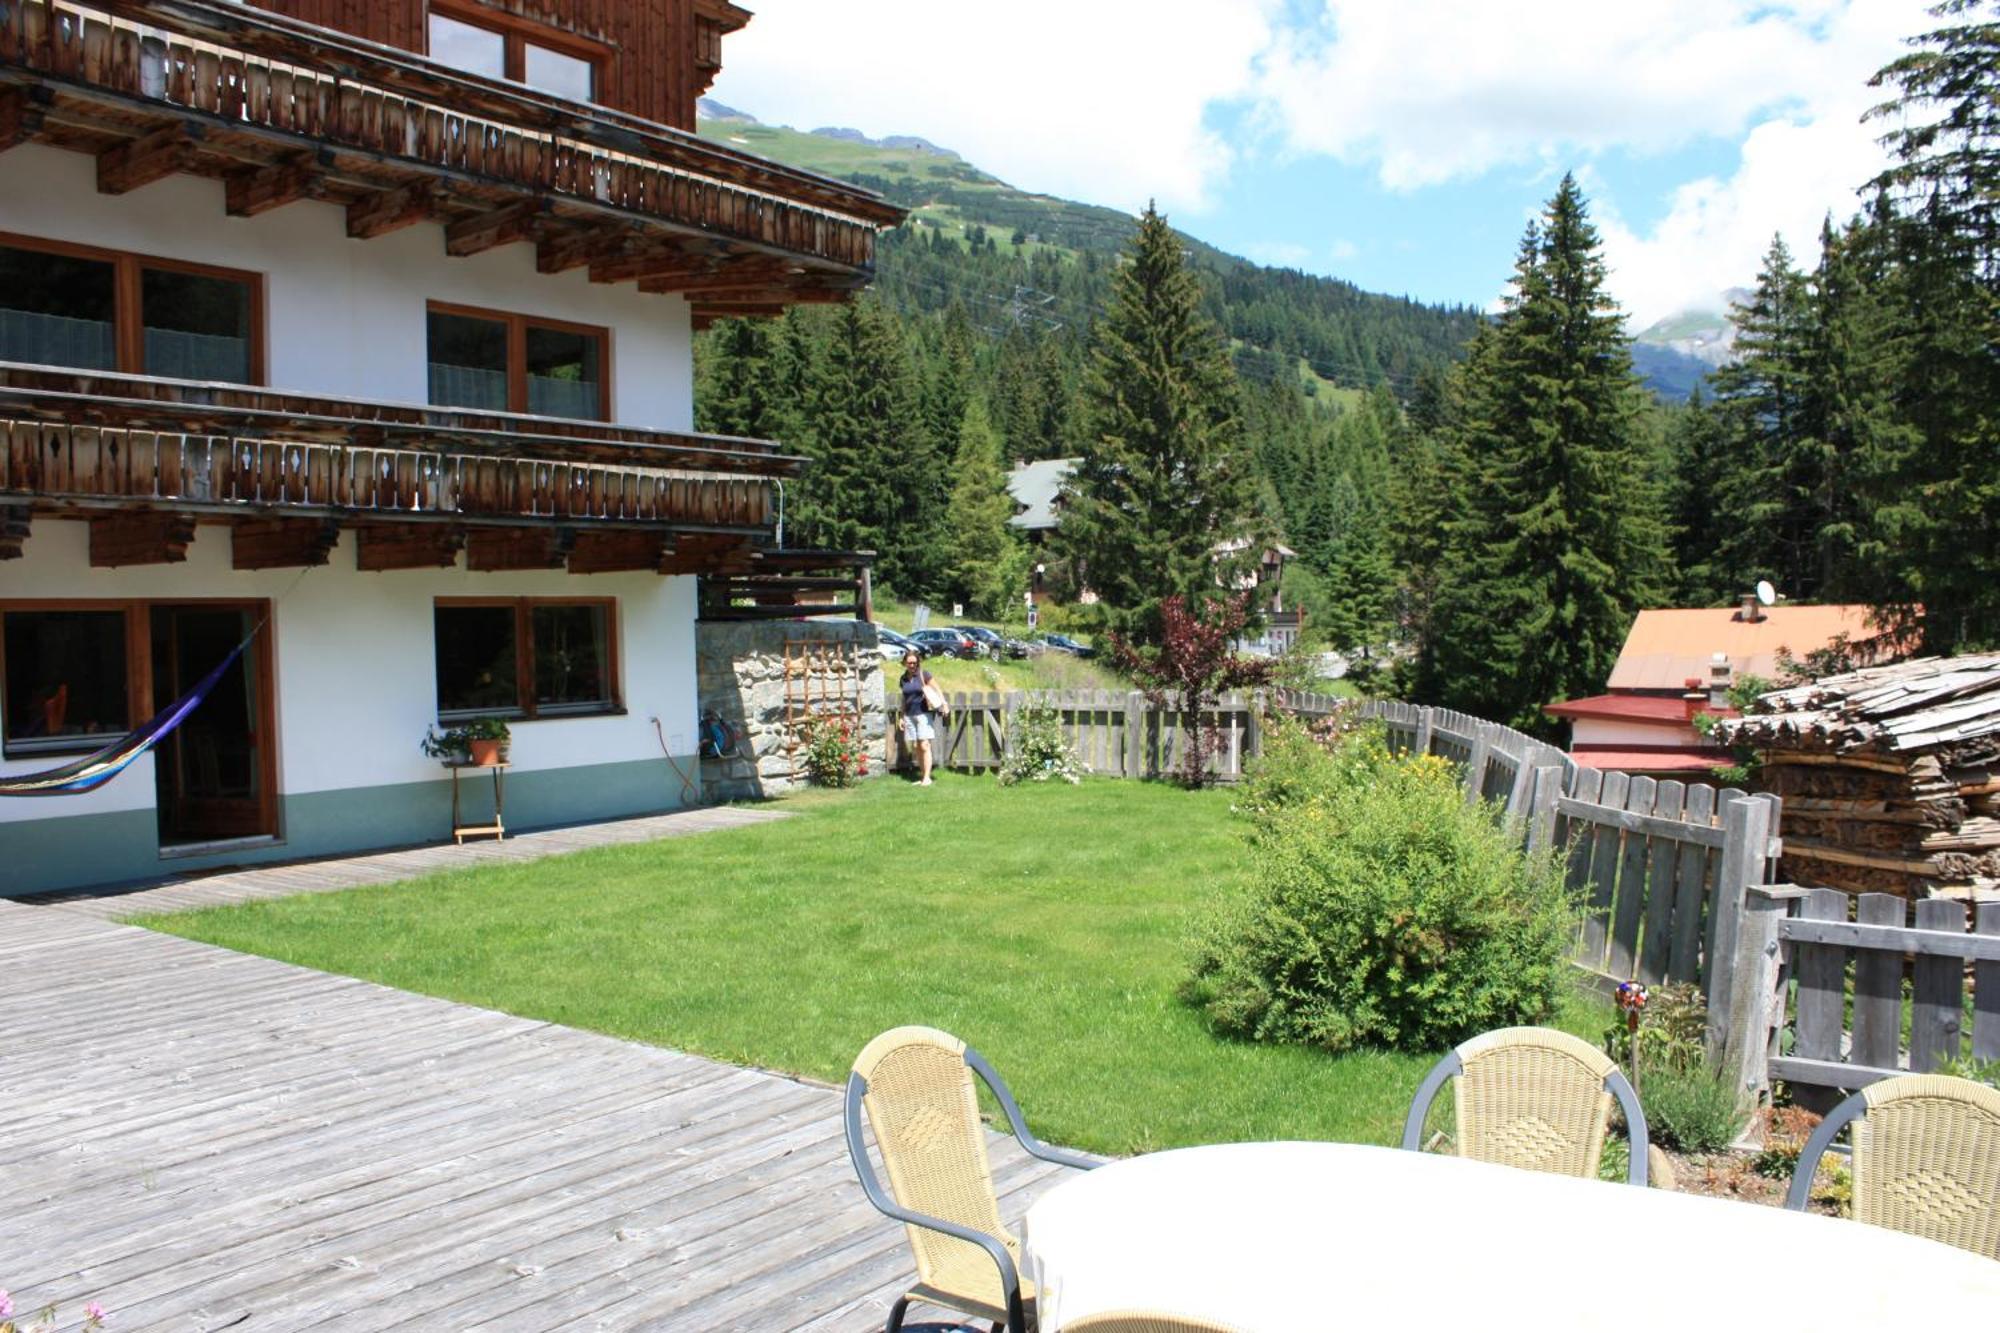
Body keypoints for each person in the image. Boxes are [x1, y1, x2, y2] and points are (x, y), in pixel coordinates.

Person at [897, 651, 940, 786]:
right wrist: (901, 717)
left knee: (924, 745)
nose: (912, 665)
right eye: (909, 663)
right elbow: (904, 699)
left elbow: (937, 689)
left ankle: (927, 777)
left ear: (918, 663)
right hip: (909, 715)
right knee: (917, 747)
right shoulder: (903, 678)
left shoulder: (924, 674)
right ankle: (923, 776)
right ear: (905, 663)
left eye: (914, 663)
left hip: (923, 714)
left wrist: (943, 704)